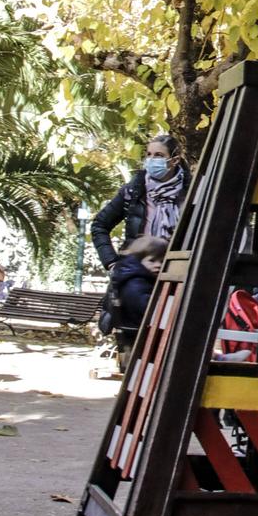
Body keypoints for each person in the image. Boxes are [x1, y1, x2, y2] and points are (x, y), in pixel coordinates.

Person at [90, 134, 190, 268]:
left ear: (175, 160)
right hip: (134, 273)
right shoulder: (134, 190)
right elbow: (99, 225)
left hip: (174, 274)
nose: (151, 159)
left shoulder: (191, 193)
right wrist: (112, 262)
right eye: (149, 154)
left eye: (158, 155)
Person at [107, 234, 166, 354]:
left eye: (162, 261)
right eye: (152, 260)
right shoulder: (135, 282)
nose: (158, 265)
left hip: (137, 335)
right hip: (138, 336)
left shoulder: (137, 278)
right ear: (138, 260)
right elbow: (147, 309)